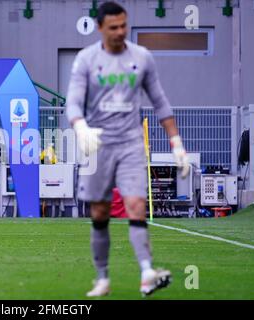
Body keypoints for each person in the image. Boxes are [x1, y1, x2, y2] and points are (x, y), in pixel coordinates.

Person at [65, 2, 190, 297]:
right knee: (99, 211)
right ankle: (102, 278)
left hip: (131, 142)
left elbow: (160, 102)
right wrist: (80, 127)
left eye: (124, 25)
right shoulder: (86, 59)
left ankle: (147, 273)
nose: (121, 32)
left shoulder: (142, 57)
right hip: (98, 143)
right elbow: (72, 101)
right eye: (113, 27)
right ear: (100, 29)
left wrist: (177, 144)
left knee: (135, 205)